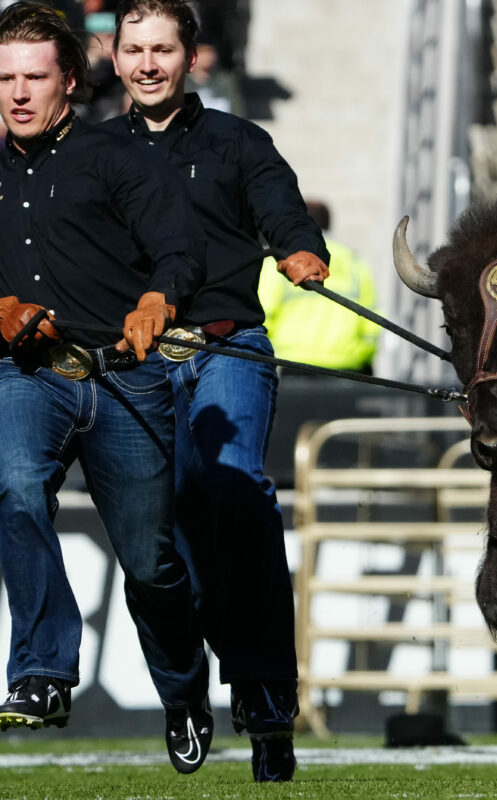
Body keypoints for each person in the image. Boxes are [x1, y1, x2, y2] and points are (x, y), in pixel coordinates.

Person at [105, 0, 330, 782]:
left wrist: (301, 251)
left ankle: (267, 698)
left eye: (162, 49)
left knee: (231, 491)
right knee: (154, 539)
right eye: (134, 49)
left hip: (225, 348)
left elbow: (285, 215)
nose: (147, 64)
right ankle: (185, 693)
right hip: (130, 365)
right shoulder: (93, 151)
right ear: (112, 57)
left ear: (191, 57)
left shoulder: (239, 140)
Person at [0, 0, 211, 774]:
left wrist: (157, 302)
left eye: (33, 77)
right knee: (15, 485)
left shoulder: (120, 159)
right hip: (29, 377)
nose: (17, 93)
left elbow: (179, 254)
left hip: (127, 378)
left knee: (152, 563)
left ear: (68, 82)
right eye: (4, 78)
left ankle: (184, 691)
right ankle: (42, 673)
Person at [259, 200, 378, 374]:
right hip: (349, 366)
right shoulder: (353, 261)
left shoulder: (280, 260)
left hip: (294, 364)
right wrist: (362, 354)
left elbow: (264, 314)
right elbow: (372, 318)